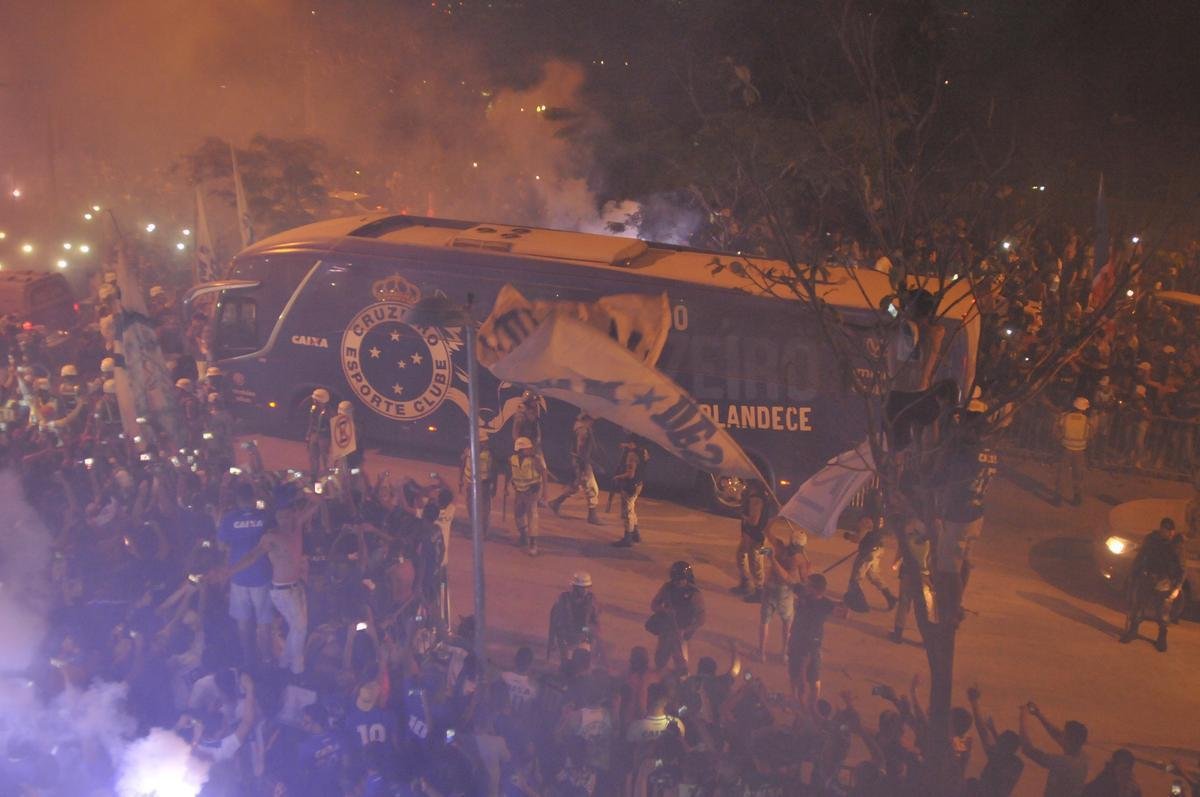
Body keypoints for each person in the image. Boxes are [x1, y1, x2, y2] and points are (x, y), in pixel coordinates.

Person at [227, 482, 318, 675]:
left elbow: (317, 502)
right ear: (275, 516)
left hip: (297, 587)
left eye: (288, 514)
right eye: (281, 515)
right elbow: (252, 556)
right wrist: (229, 571)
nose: (285, 518)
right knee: (300, 628)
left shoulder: (297, 525)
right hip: (282, 590)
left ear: (293, 512)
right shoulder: (271, 537)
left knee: (299, 628)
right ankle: (296, 668)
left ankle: (284, 664)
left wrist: (303, 489)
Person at [217, 480, 275, 666]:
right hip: (262, 576)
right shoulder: (266, 517)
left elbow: (221, 546)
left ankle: (248, 659)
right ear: (253, 497)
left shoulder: (228, 519)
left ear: (236, 498)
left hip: (238, 578)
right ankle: (267, 660)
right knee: (264, 624)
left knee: (243, 624)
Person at [1119, 517, 1186, 652]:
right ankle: (1133, 631)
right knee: (1138, 606)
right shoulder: (1151, 540)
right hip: (1147, 577)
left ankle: (1161, 638)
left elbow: (1182, 568)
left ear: (1173, 532)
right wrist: (1133, 573)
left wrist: (1177, 587)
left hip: (1165, 582)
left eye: (1169, 531)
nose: (1166, 533)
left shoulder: (1176, 546)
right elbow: (1141, 557)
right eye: (1164, 530)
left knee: (1163, 613)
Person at [787, 574, 845, 712]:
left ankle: (812, 706)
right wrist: (772, 559)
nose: (805, 585)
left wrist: (846, 605)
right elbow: (787, 579)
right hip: (796, 642)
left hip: (813, 646)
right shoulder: (803, 593)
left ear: (814, 589)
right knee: (794, 674)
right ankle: (794, 700)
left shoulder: (826, 604)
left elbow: (843, 615)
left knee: (813, 679)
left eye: (808, 584)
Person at [1020, 702, 1089, 797]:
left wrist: (1022, 717)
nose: (1061, 736)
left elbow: (1028, 750)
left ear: (1070, 740)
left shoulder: (1064, 763)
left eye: (1064, 735)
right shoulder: (1083, 757)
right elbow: (1057, 734)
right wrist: (1038, 714)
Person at [758, 519, 802, 662]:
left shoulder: (779, 546)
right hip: (784, 593)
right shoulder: (797, 560)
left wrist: (775, 518)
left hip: (770, 588)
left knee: (765, 622)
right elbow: (789, 579)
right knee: (787, 623)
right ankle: (784, 654)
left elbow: (766, 532)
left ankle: (762, 653)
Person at [967, 685, 1024, 797]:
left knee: (970, 783)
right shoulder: (1018, 764)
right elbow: (1005, 749)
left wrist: (974, 702)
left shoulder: (996, 756)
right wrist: (994, 731)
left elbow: (982, 731)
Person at [648, 560, 705, 671]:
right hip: (667, 628)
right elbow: (654, 604)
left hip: (683, 632)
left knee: (681, 661)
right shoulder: (667, 588)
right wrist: (664, 610)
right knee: (660, 658)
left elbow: (701, 619)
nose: (677, 583)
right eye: (675, 580)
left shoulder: (694, 594)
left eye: (681, 580)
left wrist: (686, 630)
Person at [549, 411, 602, 525]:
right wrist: (584, 466)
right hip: (581, 463)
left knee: (575, 486)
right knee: (592, 488)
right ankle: (592, 516)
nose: (593, 422)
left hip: (580, 462)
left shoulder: (582, 428)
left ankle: (556, 503)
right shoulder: (583, 430)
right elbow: (581, 450)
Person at [890, 515, 930, 644]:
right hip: (924, 575)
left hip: (908, 573)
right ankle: (927, 638)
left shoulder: (907, 540)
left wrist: (895, 564)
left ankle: (898, 633)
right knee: (924, 607)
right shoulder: (930, 542)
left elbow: (899, 555)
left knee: (904, 602)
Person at [845, 515, 897, 612]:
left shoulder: (867, 519)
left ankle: (859, 604)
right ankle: (890, 597)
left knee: (856, 578)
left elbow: (858, 538)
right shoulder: (879, 517)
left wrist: (848, 536)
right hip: (877, 549)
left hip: (867, 552)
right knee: (873, 575)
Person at [732, 478, 772, 601]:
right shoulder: (754, 497)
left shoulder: (756, 499)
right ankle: (745, 582)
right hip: (750, 537)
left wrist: (742, 515)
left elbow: (754, 521)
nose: (744, 486)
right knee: (741, 556)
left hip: (757, 538)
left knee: (756, 563)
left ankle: (760, 591)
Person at [548, 571, 601, 664]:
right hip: (566, 640)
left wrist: (586, 631)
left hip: (582, 639)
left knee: (581, 666)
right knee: (565, 664)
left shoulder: (591, 600)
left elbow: (595, 624)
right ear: (575, 587)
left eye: (587, 587)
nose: (585, 590)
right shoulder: (563, 599)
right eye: (582, 588)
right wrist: (552, 641)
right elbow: (554, 622)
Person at [1053, 396, 1093, 506]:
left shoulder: (1064, 417)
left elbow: (1056, 431)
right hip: (1079, 451)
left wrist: (1060, 440)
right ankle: (1077, 497)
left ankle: (1058, 498)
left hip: (1065, 448)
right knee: (1078, 475)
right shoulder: (1086, 420)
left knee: (1062, 473)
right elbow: (1090, 436)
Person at [611, 433, 649, 547]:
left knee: (627, 512)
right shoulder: (644, 451)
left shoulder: (632, 456)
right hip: (639, 484)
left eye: (629, 442)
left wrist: (617, 477)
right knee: (631, 509)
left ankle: (628, 537)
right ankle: (636, 534)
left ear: (633, 443)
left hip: (630, 485)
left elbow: (630, 474)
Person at [510, 435, 545, 556]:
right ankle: (523, 535)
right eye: (527, 448)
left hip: (532, 491)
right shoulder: (513, 459)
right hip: (519, 491)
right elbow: (512, 472)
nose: (530, 450)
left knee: (532, 515)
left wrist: (545, 492)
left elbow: (543, 472)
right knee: (518, 513)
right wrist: (507, 486)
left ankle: (533, 543)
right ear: (519, 449)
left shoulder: (535, 459)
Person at [305, 387, 332, 481]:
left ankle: (327, 477)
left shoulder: (329, 412)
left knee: (325, 457)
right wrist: (308, 434)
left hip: (324, 437)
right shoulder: (314, 409)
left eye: (315, 399)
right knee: (313, 456)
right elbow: (311, 421)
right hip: (314, 434)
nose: (313, 401)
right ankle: (313, 476)